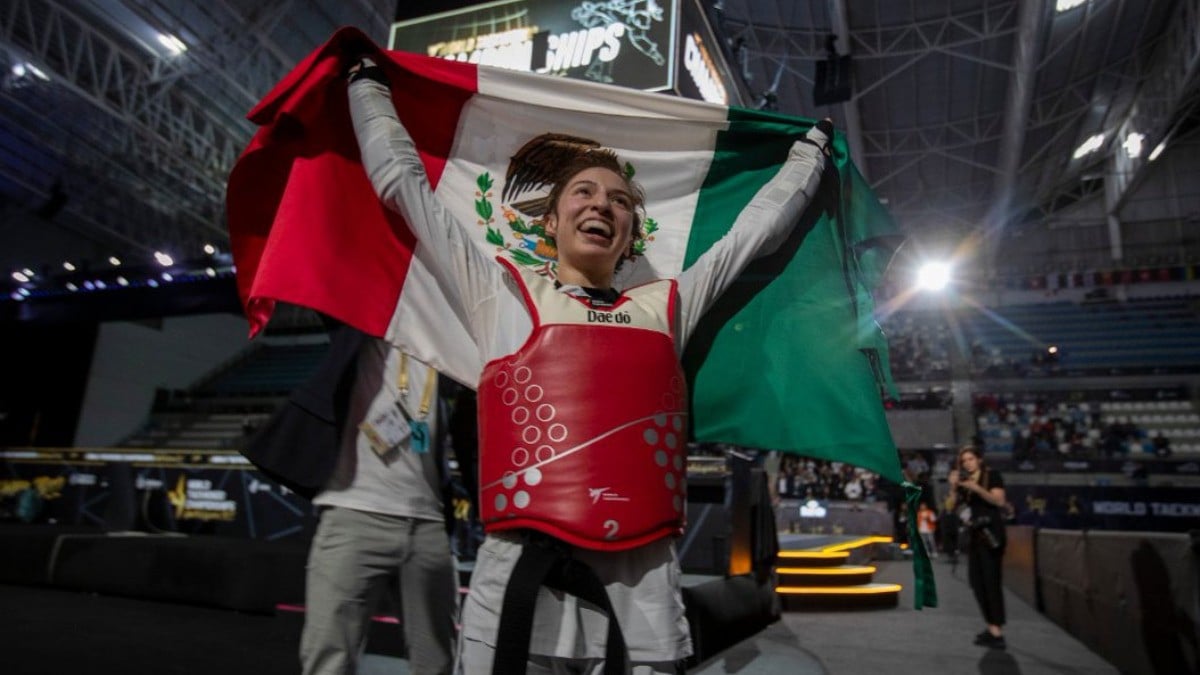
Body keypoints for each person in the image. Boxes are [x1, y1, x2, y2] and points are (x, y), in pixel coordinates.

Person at [347, 56, 832, 674]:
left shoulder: (668, 306)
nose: (602, 204)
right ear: (550, 221)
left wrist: (810, 155)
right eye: (585, 192)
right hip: (519, 589)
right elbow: (405, 186)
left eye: (620, 200)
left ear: (631, 233)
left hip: (643, 595)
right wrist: (367, 90)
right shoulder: (500, 294)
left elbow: (753, 234)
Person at [244, 326, 464, 675]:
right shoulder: (358, 326)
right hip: (353, 514)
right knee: (329, 661)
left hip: (430, 526)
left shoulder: (446, 346)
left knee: (437, 663)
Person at [947, 445, 1007, 650]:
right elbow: (950, 507)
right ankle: (991, 626)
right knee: (977, 582)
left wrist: (976, 488)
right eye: (963, 461)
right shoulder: (963, 482)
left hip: (991, 534)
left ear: (979, 459)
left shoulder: (992, 476)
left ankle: (997, 631)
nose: (967, 463)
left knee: (991, 582)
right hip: (974, 536)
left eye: (970, 459)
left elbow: (999, 501)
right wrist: (954, 487)